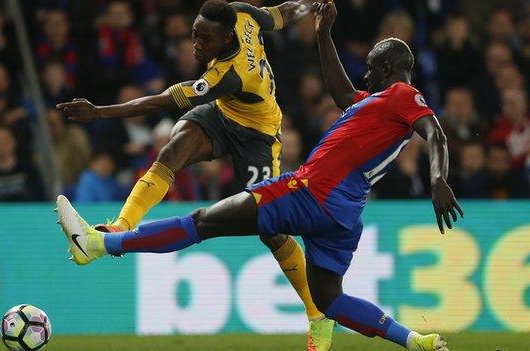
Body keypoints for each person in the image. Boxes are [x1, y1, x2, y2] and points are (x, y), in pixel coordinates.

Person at [57, 2, 464, 350]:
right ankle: (415, 341)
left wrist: (438, 179)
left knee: (202, 222)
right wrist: (324, 34)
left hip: (305, 192)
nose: (365, 78)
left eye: (372, 71)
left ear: (390, 68)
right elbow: (342, 93)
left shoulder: (403, 96)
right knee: (330, 300)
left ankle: (99, 244)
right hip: (343, 216)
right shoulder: (375, 102)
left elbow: (435, 132)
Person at [57, 1, 334, 349]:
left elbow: (161, 102)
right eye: (194, 35)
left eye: (205, 40)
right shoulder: (244, 15)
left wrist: (100, 112)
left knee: (272, 230)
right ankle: (119, 228)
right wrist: (308, 5)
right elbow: (281, 14)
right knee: (171, 152)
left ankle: (318, 315)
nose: (196, 45)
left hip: (258, 135)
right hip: (222, 115)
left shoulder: (226, 76)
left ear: (227, 38)